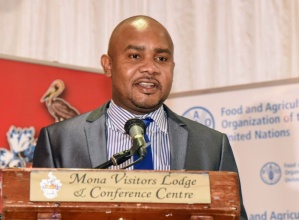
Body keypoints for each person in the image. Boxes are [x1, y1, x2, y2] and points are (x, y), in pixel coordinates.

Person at [33, 15, 247, 218]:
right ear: (108, 65)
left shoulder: (211, 146)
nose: (150, 68)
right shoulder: (61, 141)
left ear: (172, 67)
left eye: (161, 58)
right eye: (135, 56)